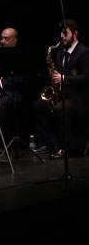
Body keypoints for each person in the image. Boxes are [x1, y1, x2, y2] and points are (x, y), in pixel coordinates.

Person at [32, 19, 88, 156]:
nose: (62, 36)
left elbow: (87, 77)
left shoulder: (84, 52)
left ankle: (67, 148)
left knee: (61, 108)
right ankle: (47, 143)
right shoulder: (60, 53)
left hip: (79, 97)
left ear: (75, 34)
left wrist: (63, 78)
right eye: (61, 33)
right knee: (39, 105)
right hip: (63, 94)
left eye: (65, 33)